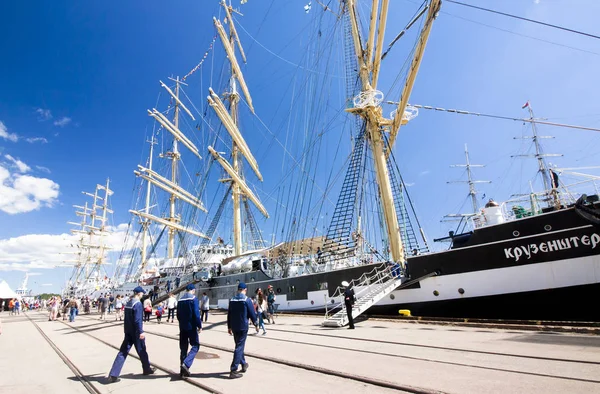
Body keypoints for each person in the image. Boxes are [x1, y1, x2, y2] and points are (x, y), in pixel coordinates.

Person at [107, 286, 155, 383]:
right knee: (142, 350)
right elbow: (138, 320)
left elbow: (126, 318)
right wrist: (141, 331)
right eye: (142, 293)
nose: (142, 295)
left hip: (128, 331)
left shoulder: (129, 303)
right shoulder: (137, 304)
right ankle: (146, 369)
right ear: (139, 293)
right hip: (136, 332)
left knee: (123, 352)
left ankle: (113, 374)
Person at [227, 282, 258, 379]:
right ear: (245, 290)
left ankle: (243, 364)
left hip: (234, 326)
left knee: (238, 346)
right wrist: (256, 324)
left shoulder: (232, 300)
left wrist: (229, 326)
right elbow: (252, 313)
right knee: (239, 347)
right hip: (243, 327)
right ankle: (233, 370)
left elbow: (229, 314)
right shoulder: (247, 300)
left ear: (238, 289)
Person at [177, 284, 202, 377]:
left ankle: (182, 372)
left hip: (182, 327)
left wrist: (182, 323)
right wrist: (199, 325)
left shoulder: (180, 300)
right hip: (191, 327)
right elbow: (196, 314)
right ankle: (186, 364)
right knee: (195, 345)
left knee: (183, 348)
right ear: (192, 290)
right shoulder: (193, 299)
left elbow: (178, 315)